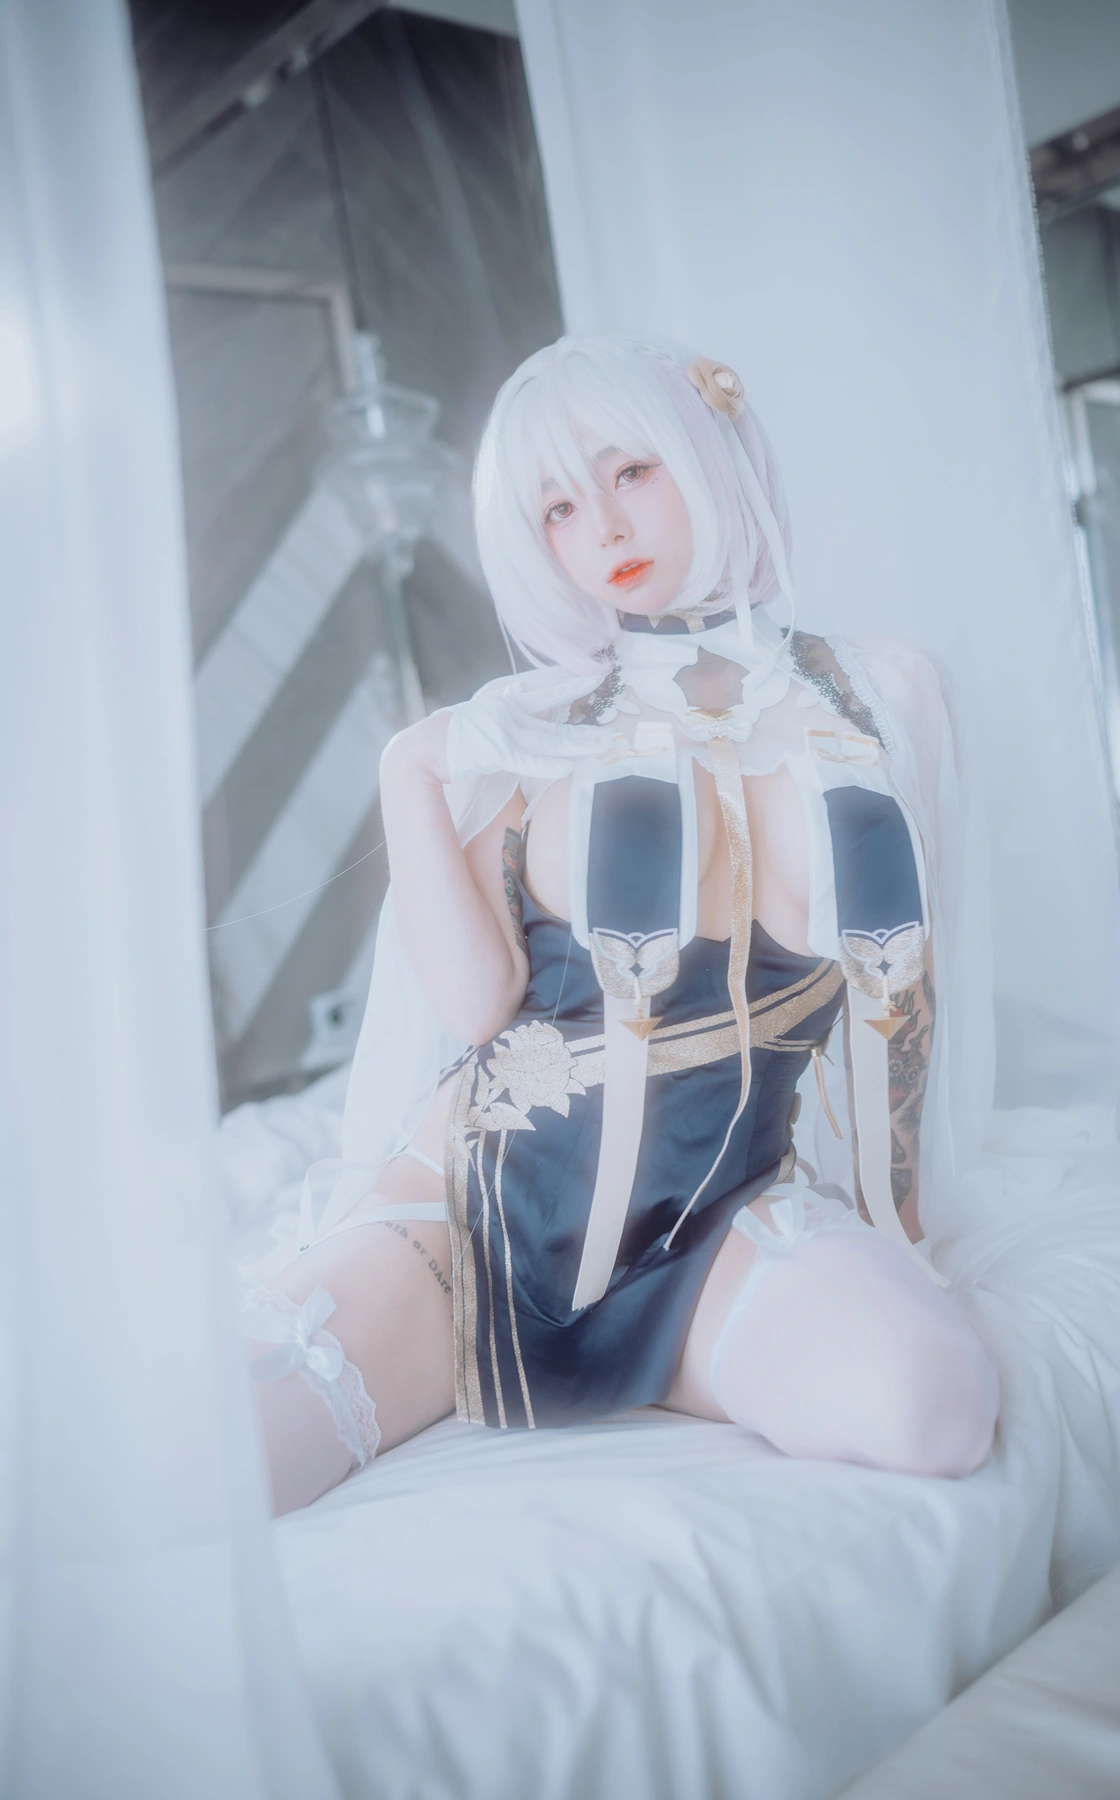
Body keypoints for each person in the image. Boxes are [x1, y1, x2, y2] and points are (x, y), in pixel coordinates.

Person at [242, 336, 1000, 1515]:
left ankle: (664, 1357)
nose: (601, 527)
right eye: (557, 507)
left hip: (717, 1223)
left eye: (629, 472)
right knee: (199, 1462)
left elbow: (908, 998)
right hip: (469, 1215)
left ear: (706, 452)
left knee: (933, 1405)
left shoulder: (882, 692)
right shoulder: (532, 726)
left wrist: (896, 1235)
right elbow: (476, 1008)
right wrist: (408, 770)